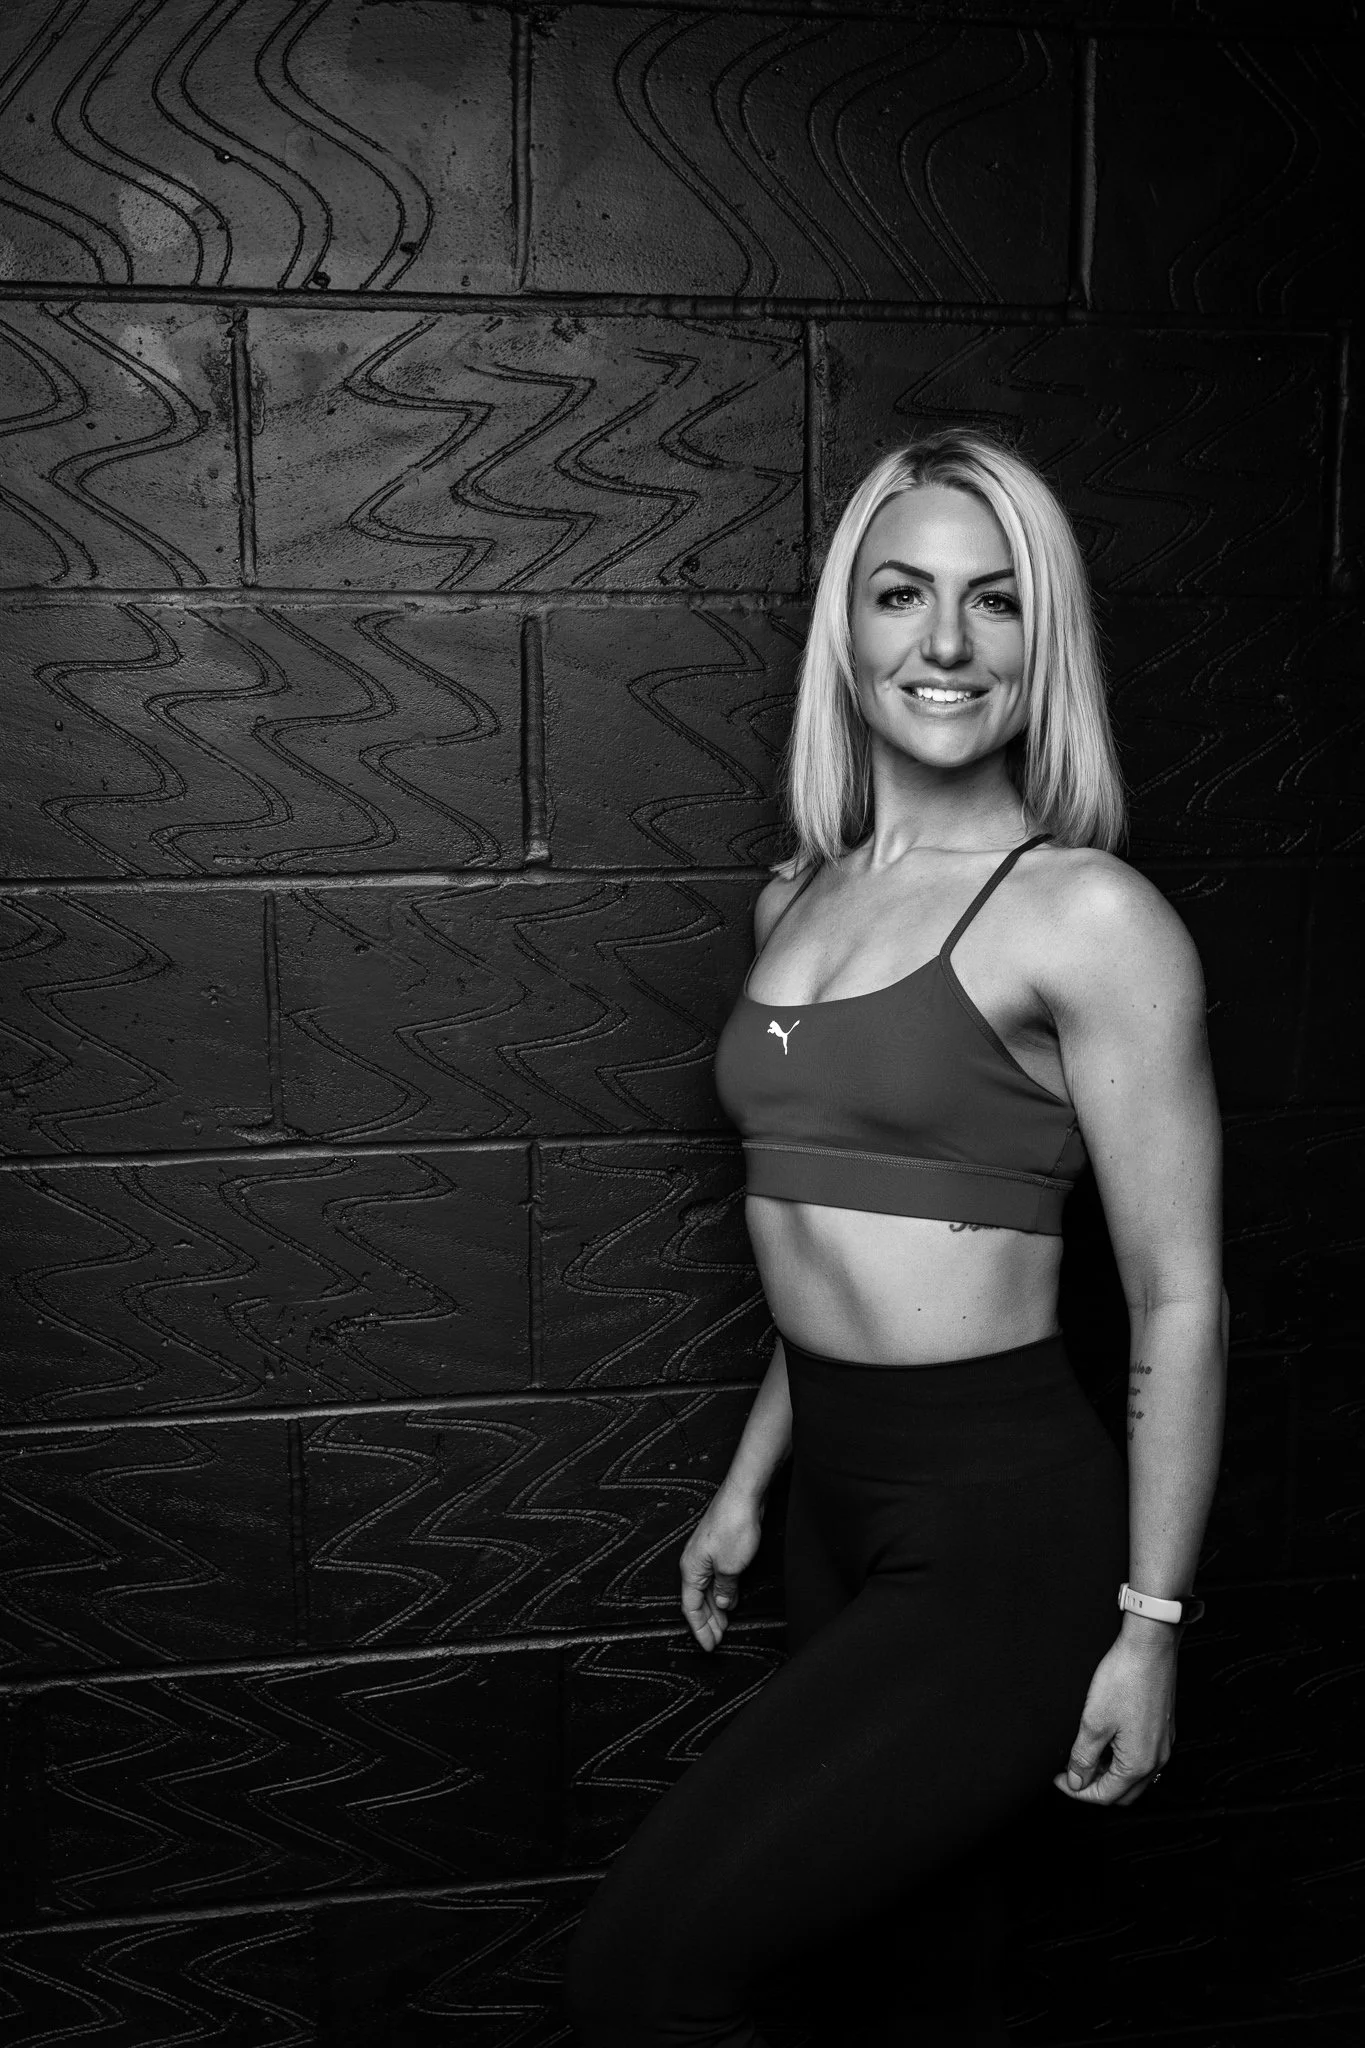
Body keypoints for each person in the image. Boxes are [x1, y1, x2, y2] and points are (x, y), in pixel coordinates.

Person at [564, 429, 1227, 2046]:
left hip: (1000, 1528)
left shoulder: (1084, 913)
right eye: (901, 595)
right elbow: (817, 1208)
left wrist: (1151, 1626)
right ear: (845, 631)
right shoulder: (800, 898)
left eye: (995, 603)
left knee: (654, 1971)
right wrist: (749, 1480)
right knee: (913, 1992)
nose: (944, 644)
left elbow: (1182, 1296)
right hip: (834, 1506)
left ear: (1038, 641)